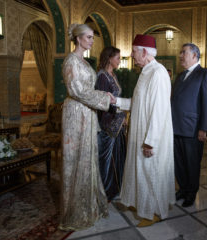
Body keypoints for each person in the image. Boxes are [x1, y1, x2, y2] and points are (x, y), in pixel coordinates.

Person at [59, 23, 116, 231]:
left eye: (93, 37)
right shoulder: (70, 61)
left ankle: (89, 205)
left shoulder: (85, 62)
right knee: (76, 159)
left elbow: (88, 89)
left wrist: (105, 96)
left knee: (88, 157)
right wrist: (104, 97)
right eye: (89, 37)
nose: (92, 41)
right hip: (75, 113)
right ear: (78, 39)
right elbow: (76, 90)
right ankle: (74, 210)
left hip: (88, 112)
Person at [116, 34, 175, 227]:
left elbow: (159, 110)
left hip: (150, 136)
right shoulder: (146, 71)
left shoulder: (158, 73)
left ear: (144, 52)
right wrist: (115, 101)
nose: (132, 55)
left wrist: (151, 141)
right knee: (138, 171)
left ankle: (151, 213)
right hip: (139, 131)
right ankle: (136, 202)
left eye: (134, 51)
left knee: (150, 174)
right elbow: (138, 103)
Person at [171, 43, 207, 207]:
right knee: (179, 162)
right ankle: (183, 188)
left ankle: (191, 192)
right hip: (176, 127)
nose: (180, 55)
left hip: (193, 128)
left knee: (192, 162)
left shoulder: (204, 74)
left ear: (195, 55)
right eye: (180, 52)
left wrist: (203, 128)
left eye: (184, 52)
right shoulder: (180, 76)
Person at [95, 46, 126, 201]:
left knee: (117, 157)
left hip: (116, 121)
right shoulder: (102, 77)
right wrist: (117, 113)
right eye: (118, 58)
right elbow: (102, 103)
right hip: (107, 124)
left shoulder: (112, 74)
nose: (120, 61)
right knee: (106, 160)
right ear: (109, 58)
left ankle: (116, 188)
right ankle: (107, 190)